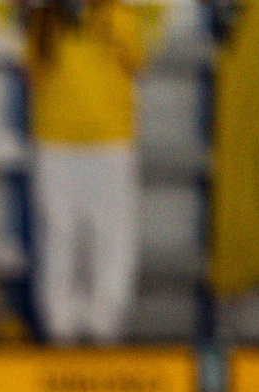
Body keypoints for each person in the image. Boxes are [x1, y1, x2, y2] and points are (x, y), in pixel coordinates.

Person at [20, 0, 159, 343]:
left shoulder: (119, 14)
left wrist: (103, 14)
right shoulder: (42, 19)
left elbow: (136, 59)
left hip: (109, 141)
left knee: (111, 238)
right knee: (58, 235)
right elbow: (32, 69)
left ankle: (105, 328)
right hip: (56, 139)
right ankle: (60, 328)